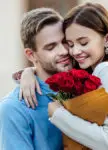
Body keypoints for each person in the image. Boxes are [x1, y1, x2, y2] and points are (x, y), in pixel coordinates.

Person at [14, 2, 108, 150]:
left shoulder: (107, 70)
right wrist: (28, 72)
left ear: (107, 39)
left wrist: (58, 114)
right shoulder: (91, 71)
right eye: (70, 44)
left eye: (83, 43)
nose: (75, 51)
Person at [0, 8, 73, 150]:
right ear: (31, 55)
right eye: (51, 47)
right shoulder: (14, 109)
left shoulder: (85, 85)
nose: (64, 51)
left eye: (65, 42)